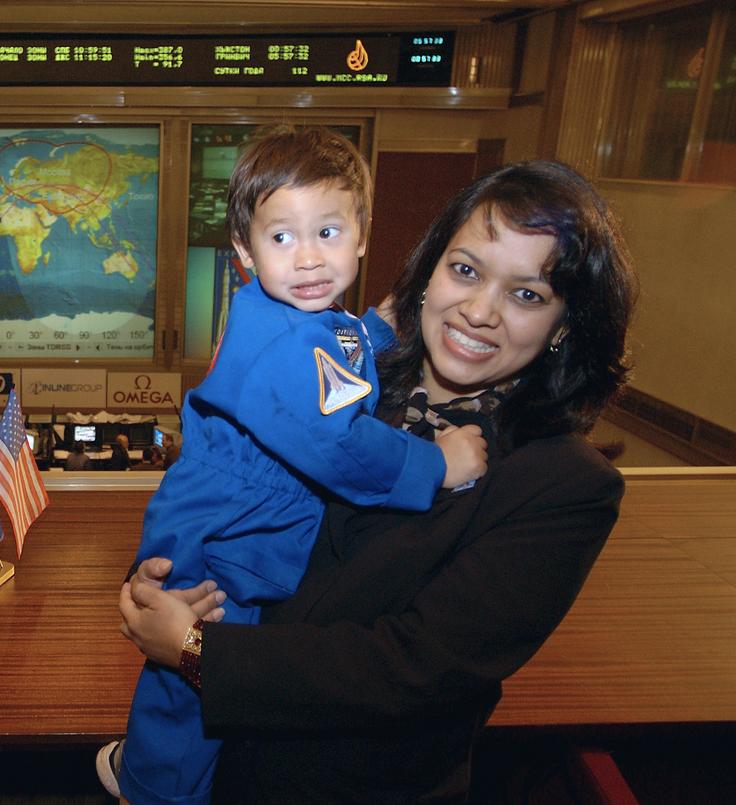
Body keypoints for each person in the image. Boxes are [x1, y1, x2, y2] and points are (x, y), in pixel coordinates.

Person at [118, 159, 637, 803]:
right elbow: (228, 484)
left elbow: (413, 669)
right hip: (218, 762)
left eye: (527, 294)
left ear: (563, 325)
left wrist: (193, 651)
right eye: (466, 270)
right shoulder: (347, 375)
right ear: (430, 271)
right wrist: (164, 583)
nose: (479, 310)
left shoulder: (562, 483)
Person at [102, 125, 487, 805]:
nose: (308, 258)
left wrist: (377, 327)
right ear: (245, 254)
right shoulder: (272, 341)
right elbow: (340, 444)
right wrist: (438, 464)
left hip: (245, 519)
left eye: (329, 233)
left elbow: (334, 346)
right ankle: (150, 785)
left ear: (363, 234)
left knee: (210, 672)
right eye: (281, 237)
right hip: (221, 531)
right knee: (190, 681)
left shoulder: (309, 318)